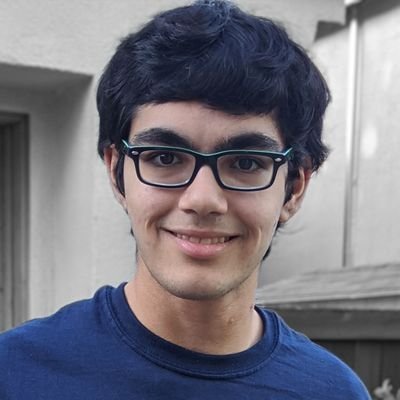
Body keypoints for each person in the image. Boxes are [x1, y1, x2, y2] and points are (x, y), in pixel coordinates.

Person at [0, 1, 371, 398]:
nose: (203, 199)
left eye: (246, 162)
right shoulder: (14, 374)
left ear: (294, 186)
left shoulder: (333, 392)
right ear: (116, 171)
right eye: (165, 158)